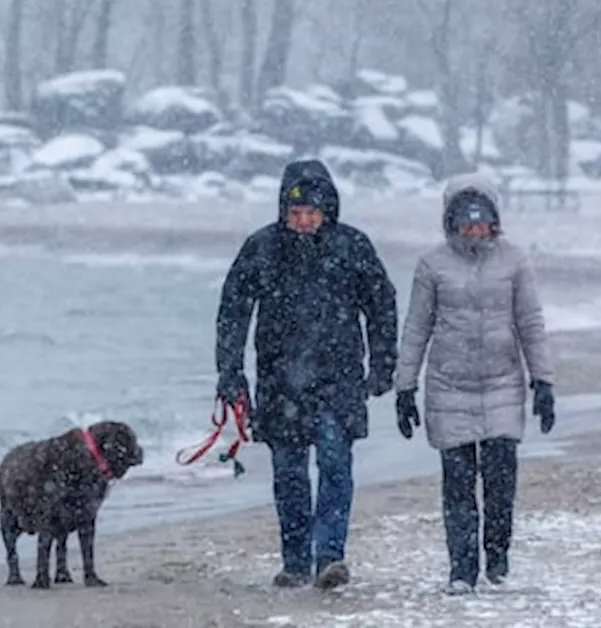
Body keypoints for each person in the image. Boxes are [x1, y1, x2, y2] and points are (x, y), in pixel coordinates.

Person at [215, 159, 399, 591]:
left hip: (339, 378)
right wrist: (230, 373)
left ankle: (329, 557)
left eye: (311, 214)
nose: (302, 222)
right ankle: (296, 561)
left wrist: (383, 363)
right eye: (295, 214)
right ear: (283, 210)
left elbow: (381, 307)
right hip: (281, 384)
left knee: (336, 466)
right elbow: (232, 313)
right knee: (290, 475)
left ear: (327, 210)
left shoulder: (353, 246)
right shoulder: (262, 247)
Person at [393, 172, 555, 595]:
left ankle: (497, 553)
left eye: (481, 222)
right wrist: (404, 386)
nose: (474, 230)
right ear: (451, 222)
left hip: (502, 382)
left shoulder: (515, 261)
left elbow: (530, 323)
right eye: (466, 222)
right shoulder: (432, 265)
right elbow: (416, 328)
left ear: (494, 221)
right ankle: (462, 569)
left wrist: (543, 381)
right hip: (449, 386)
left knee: (500, 479)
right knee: (458, 485)